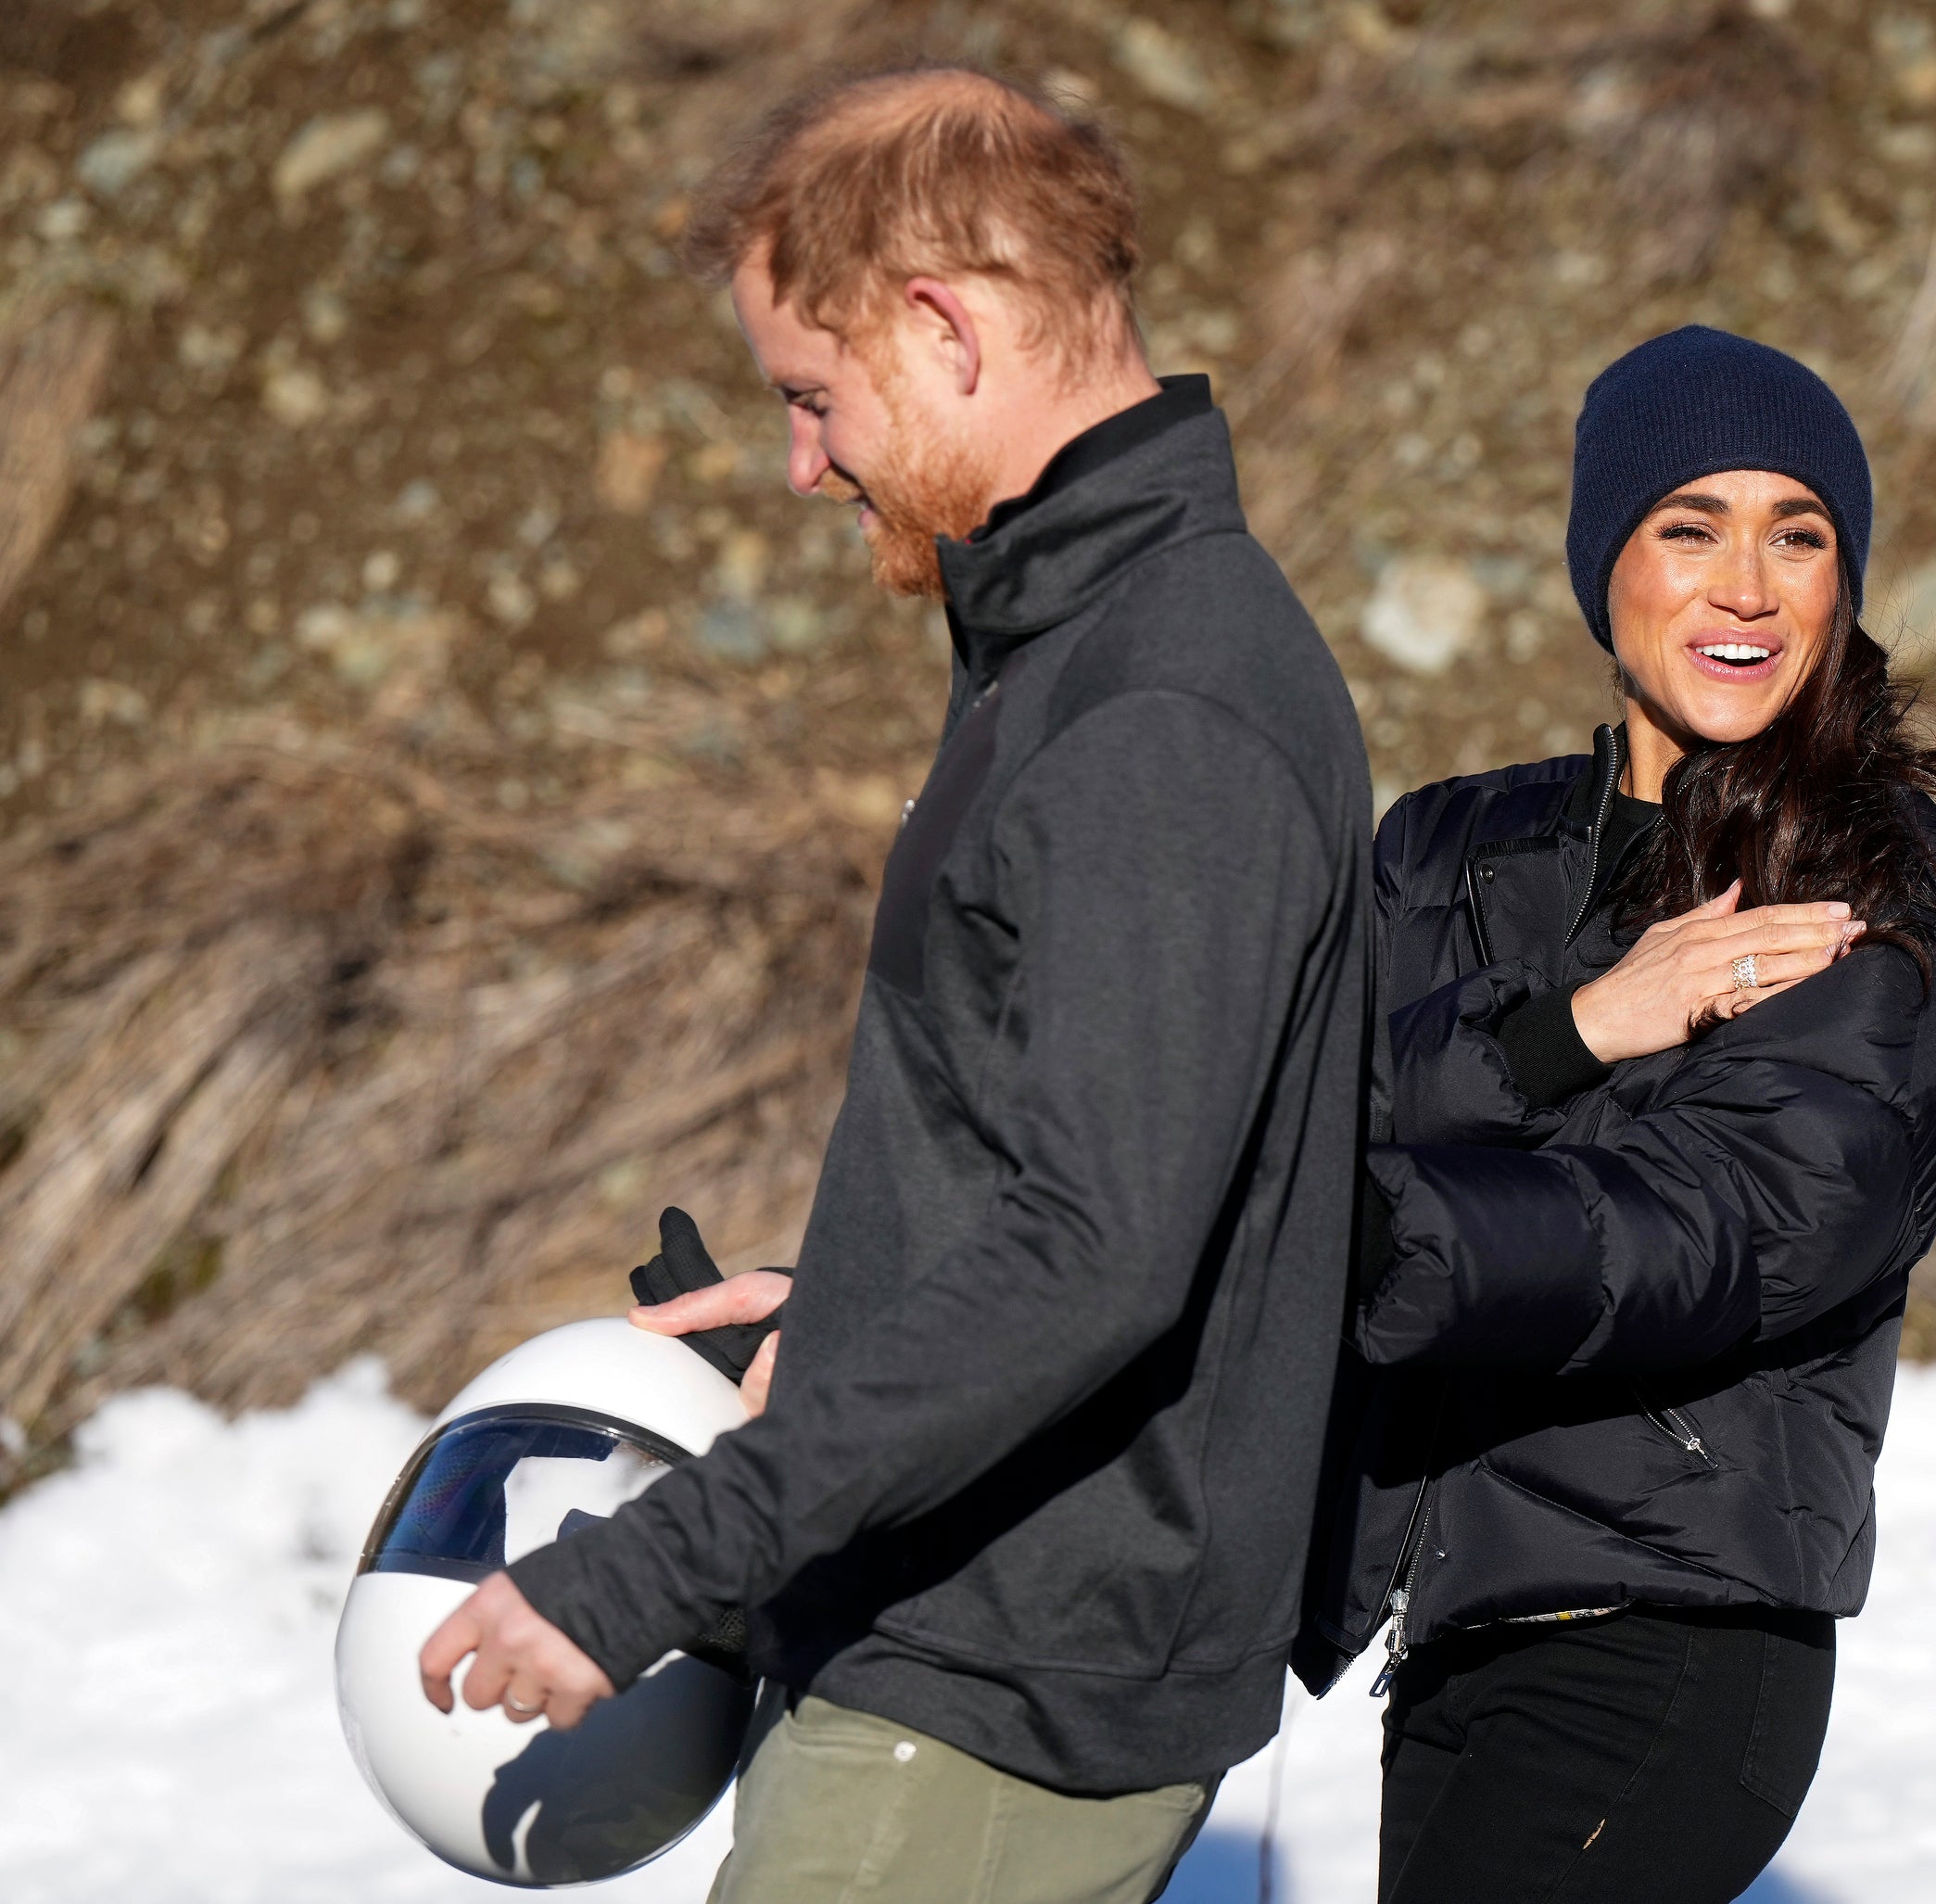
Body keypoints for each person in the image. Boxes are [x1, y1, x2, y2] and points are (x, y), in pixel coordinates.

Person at [418, 65, 1373, 1904]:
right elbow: (1098, 1149)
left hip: (993, 1685)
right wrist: (863, 1279)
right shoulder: (1086, 643)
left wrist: (643, 1570)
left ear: (939, 328)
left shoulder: (1158, 703)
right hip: (967, 1635)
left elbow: (1097, 1248)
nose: (802, 461)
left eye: (811, 395)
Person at [1297, 326, 1936, 1904]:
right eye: (1691, 527)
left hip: (1675, 1635)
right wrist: (1567, 1033)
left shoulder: (1874, 882)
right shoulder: (1448, 851)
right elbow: (1284, 1106)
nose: (1749, 587)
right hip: (1451, 1633)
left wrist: (1371, 1226)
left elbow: (1734, 1222)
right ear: (1602, 561)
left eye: (1799, 534)